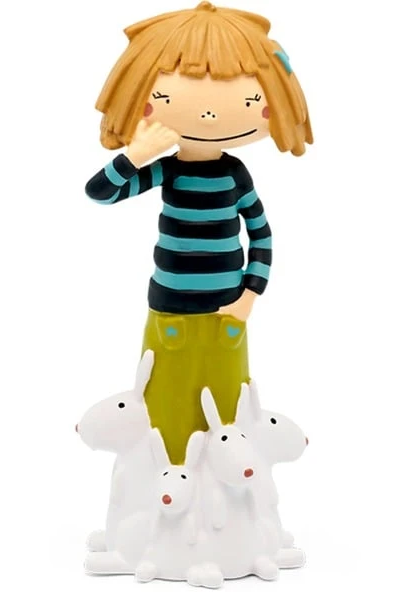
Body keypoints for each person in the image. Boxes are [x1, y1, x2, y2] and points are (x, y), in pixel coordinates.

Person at [85, 1, 312, 464]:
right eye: (167, 99)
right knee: (165, 399)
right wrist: (136, 154)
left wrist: (250, 295)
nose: (209, 117)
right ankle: (166, 478)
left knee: (227, 407)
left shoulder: (235, 175)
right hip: (169, 308)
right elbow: (100, 193)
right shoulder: (166, 170)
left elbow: (262, 236)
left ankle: (230, 481)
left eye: (249, 103)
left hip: (228, 311)